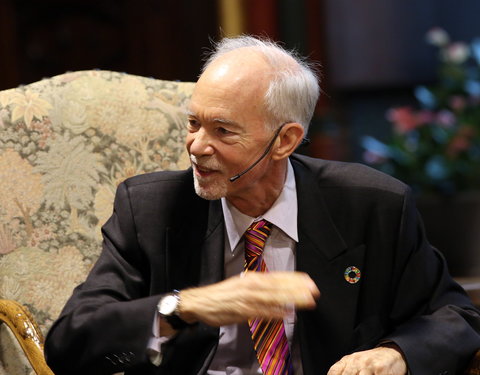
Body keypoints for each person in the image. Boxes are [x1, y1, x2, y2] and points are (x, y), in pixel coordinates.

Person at [45, 36, 480, 375]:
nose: (196, 146)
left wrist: (396, 355)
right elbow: (69, 344)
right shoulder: (150, 209)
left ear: (285, 140)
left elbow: (456, 316)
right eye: (194, 123)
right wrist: (185, 306)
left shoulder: (372, 204)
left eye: (223, 131)